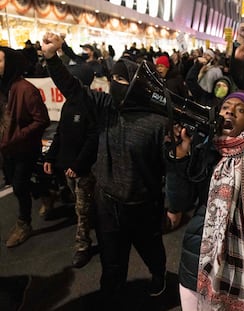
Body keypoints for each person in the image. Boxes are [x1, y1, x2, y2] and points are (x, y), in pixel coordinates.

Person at [42, 32, 175, 308]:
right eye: (112, 79)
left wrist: (174, 199)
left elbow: (170, 166)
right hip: (107, 203)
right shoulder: (105, 108)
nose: (115, 84)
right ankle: (110, 298)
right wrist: (52, 57)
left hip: (143, 205)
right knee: (111, 261)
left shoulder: (157, 122)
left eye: (122, 80)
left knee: (151, 251)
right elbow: (73, 89)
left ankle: (159, 276)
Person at [166, 40, 244, 311]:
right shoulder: (205, 149)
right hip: (196, 263)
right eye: (226, 108)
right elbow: (179, 201)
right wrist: (180, 156)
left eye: (240, 111)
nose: (230, 112)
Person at [43, 63, 98, 269]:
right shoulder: (68, 104)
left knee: (82, 209)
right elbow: (60, 134)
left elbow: (92, 139)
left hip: (83, 169)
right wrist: (50, 158)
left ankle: (82, 246)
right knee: (81, 205)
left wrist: (78, 164)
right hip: (68, 168)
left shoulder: (89, 104)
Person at [0, 47, 50, 248]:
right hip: (7, 149)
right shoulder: (3, 87)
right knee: (14, 181)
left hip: (25, 148)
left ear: (10, 64)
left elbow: (41, 120)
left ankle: (24, 223)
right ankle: (45, 192)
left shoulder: (26, 89)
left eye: (0, 61)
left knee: (20, 185)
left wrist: (17, 136)